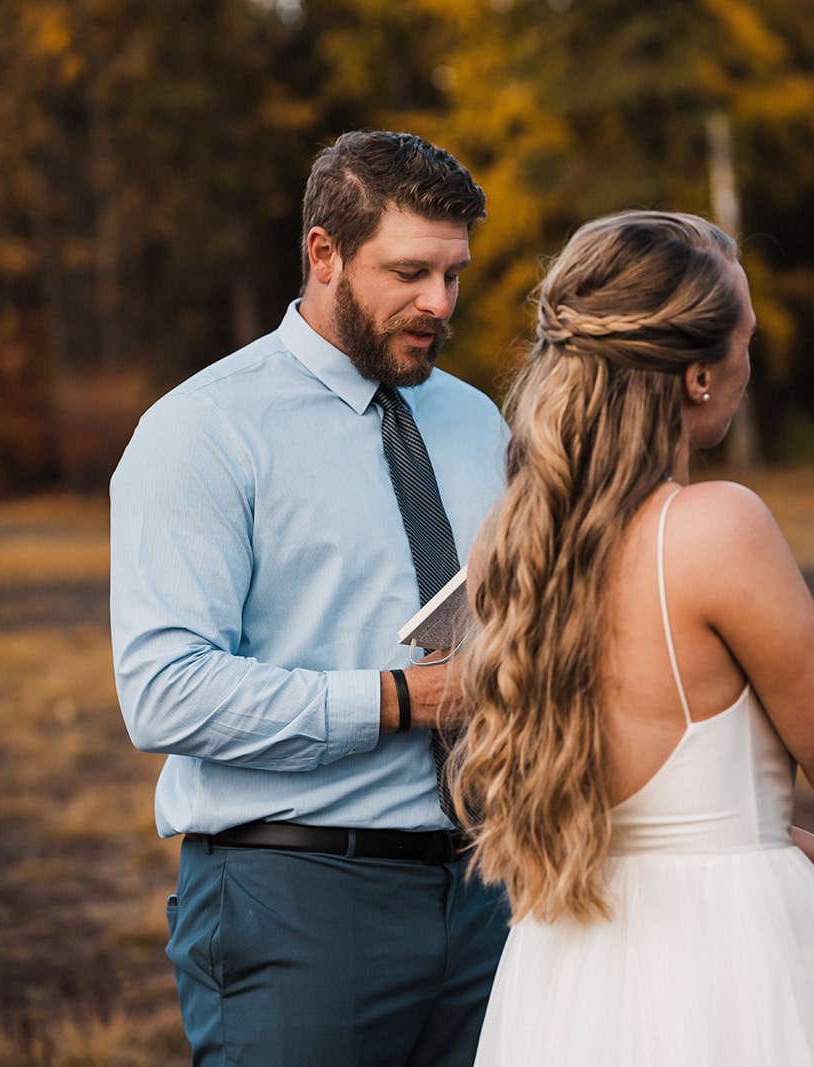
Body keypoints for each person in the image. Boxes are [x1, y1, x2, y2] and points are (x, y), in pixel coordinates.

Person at [451, 209, 814, 1065]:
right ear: (700, 375)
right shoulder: (714, 528)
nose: (754, 357)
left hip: (570, 968)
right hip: (727, 965)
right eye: (745, 336)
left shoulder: (518, 541)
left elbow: (668, 809)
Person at [111, 130, 512, 1064]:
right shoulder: (201, 432)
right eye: (410, 272)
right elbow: (165, 689)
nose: (438, 304)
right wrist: (407, 699)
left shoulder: (477, 419)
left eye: (454, 276)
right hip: (293, 902)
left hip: (491, 892)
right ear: (323, 253)